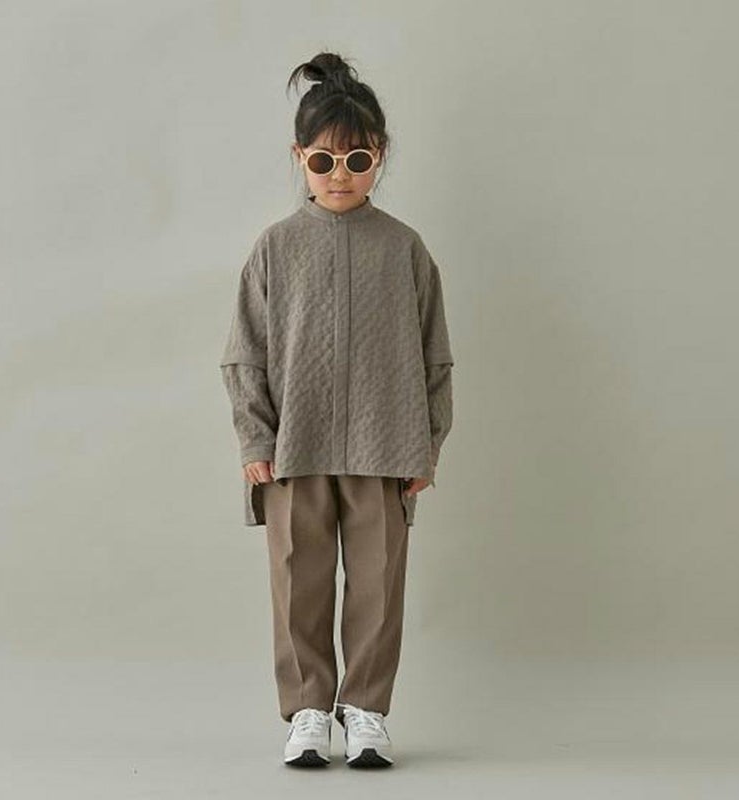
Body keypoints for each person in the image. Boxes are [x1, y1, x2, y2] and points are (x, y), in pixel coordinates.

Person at [219, 50, 454, 768]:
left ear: (379, 156)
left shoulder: (405, 249)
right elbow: (245, 351)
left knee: (378, 585)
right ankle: (309, 711)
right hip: (296, 446)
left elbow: (434, 355)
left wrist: (427, 444)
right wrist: (256, 437)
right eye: (323, 161)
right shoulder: (275, 248)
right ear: (300, 158)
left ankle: (366, 710)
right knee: (300, 580)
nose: (340, 174)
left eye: (357, 159)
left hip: (387, 445)